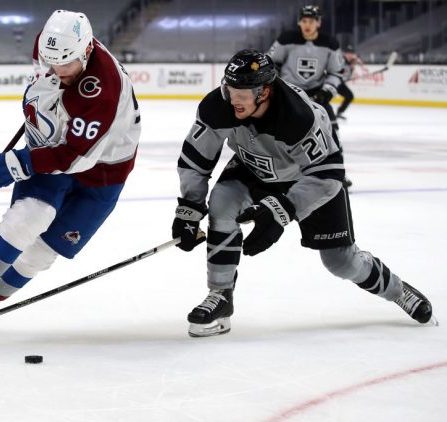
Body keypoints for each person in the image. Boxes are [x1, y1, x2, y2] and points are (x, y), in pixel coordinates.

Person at [171, 49, 433, 338]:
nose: (233, 99)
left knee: (342, 262)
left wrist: (282, 211)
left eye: (242, 93)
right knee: (221, 204)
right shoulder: (217, 106)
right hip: (253, 167)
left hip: (308, 179)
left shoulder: (297, 115)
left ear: (264, 92)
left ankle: (397, 290)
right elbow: (195, 160)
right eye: (229, 88)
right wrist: (189, 210)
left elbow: (329, 174)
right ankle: (220, 296)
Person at [0, 9, 141, 335]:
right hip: (58, 149)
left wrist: (14, 164)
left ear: (86, 51)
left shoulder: (103, 89)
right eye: (50, 61)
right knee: (25, 219)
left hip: (104, 170)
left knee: (39, 256)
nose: (57, 70)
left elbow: (74, 157)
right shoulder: (49, 49)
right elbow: (46, 93)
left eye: (66, 64)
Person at [267, 5, 343, 132]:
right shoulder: (286, 39)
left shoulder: (331, 44)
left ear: (318, 23)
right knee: (273, 132)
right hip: (288, 93)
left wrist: (326, 92)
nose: (307, 25)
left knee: (333, 138)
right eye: (304, 21)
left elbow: (335, 73)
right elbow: (270, 64)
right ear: (299, 22)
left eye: (312, 21)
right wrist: (275, 86)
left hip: (316, 94)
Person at [336, 45, 362, 121]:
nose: (350, 55)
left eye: (351, 53)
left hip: (340, 84)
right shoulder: (340, 60)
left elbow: (347, 76)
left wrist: (352, 67)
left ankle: (339, 112)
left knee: (349, 96)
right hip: (333, 83)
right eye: (348, 53)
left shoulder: (351, 63)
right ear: (345, 54)